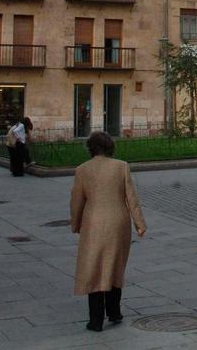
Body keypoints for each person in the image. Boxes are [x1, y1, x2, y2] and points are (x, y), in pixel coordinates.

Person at [70, 131, 147, 332]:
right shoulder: (121, 167)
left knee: (93, 267)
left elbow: (77, 201)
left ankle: (95, 320)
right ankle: (114, 312)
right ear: (110, 147)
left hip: (93, 222)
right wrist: (139, 223)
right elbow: (132, 198)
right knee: (114, 265)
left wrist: (76, 223)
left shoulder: (82, 170)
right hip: (118, 222)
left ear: (90, 148)